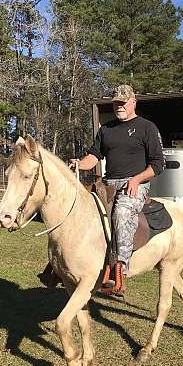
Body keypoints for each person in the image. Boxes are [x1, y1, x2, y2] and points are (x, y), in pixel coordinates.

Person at [70, 84, 165, 292]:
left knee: (121, 212)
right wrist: (79, 163)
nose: (118, 106)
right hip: (108, 184)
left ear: (133, 103)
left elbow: (158, 164)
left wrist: (137, 179)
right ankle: (62, 264)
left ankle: (118, 268)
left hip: (135, 184)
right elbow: (93, 157)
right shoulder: (106, 130)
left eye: (122, 103)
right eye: (115, 103)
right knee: (79, 210)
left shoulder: (147, 128)